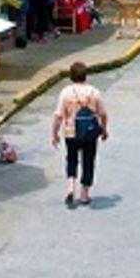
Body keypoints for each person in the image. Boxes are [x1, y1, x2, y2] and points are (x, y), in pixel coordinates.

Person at [50, 61, 109, 207]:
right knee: (88, 162)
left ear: (71, 76)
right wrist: (104, 129)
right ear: (85, 76)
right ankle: (84, 194)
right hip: (90, 134)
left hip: (71, 133)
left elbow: (58, 115)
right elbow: (103, 114)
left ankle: (71, 186)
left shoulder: (66, 92)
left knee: (71, 159)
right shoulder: (94, 92)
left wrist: (54, 133)